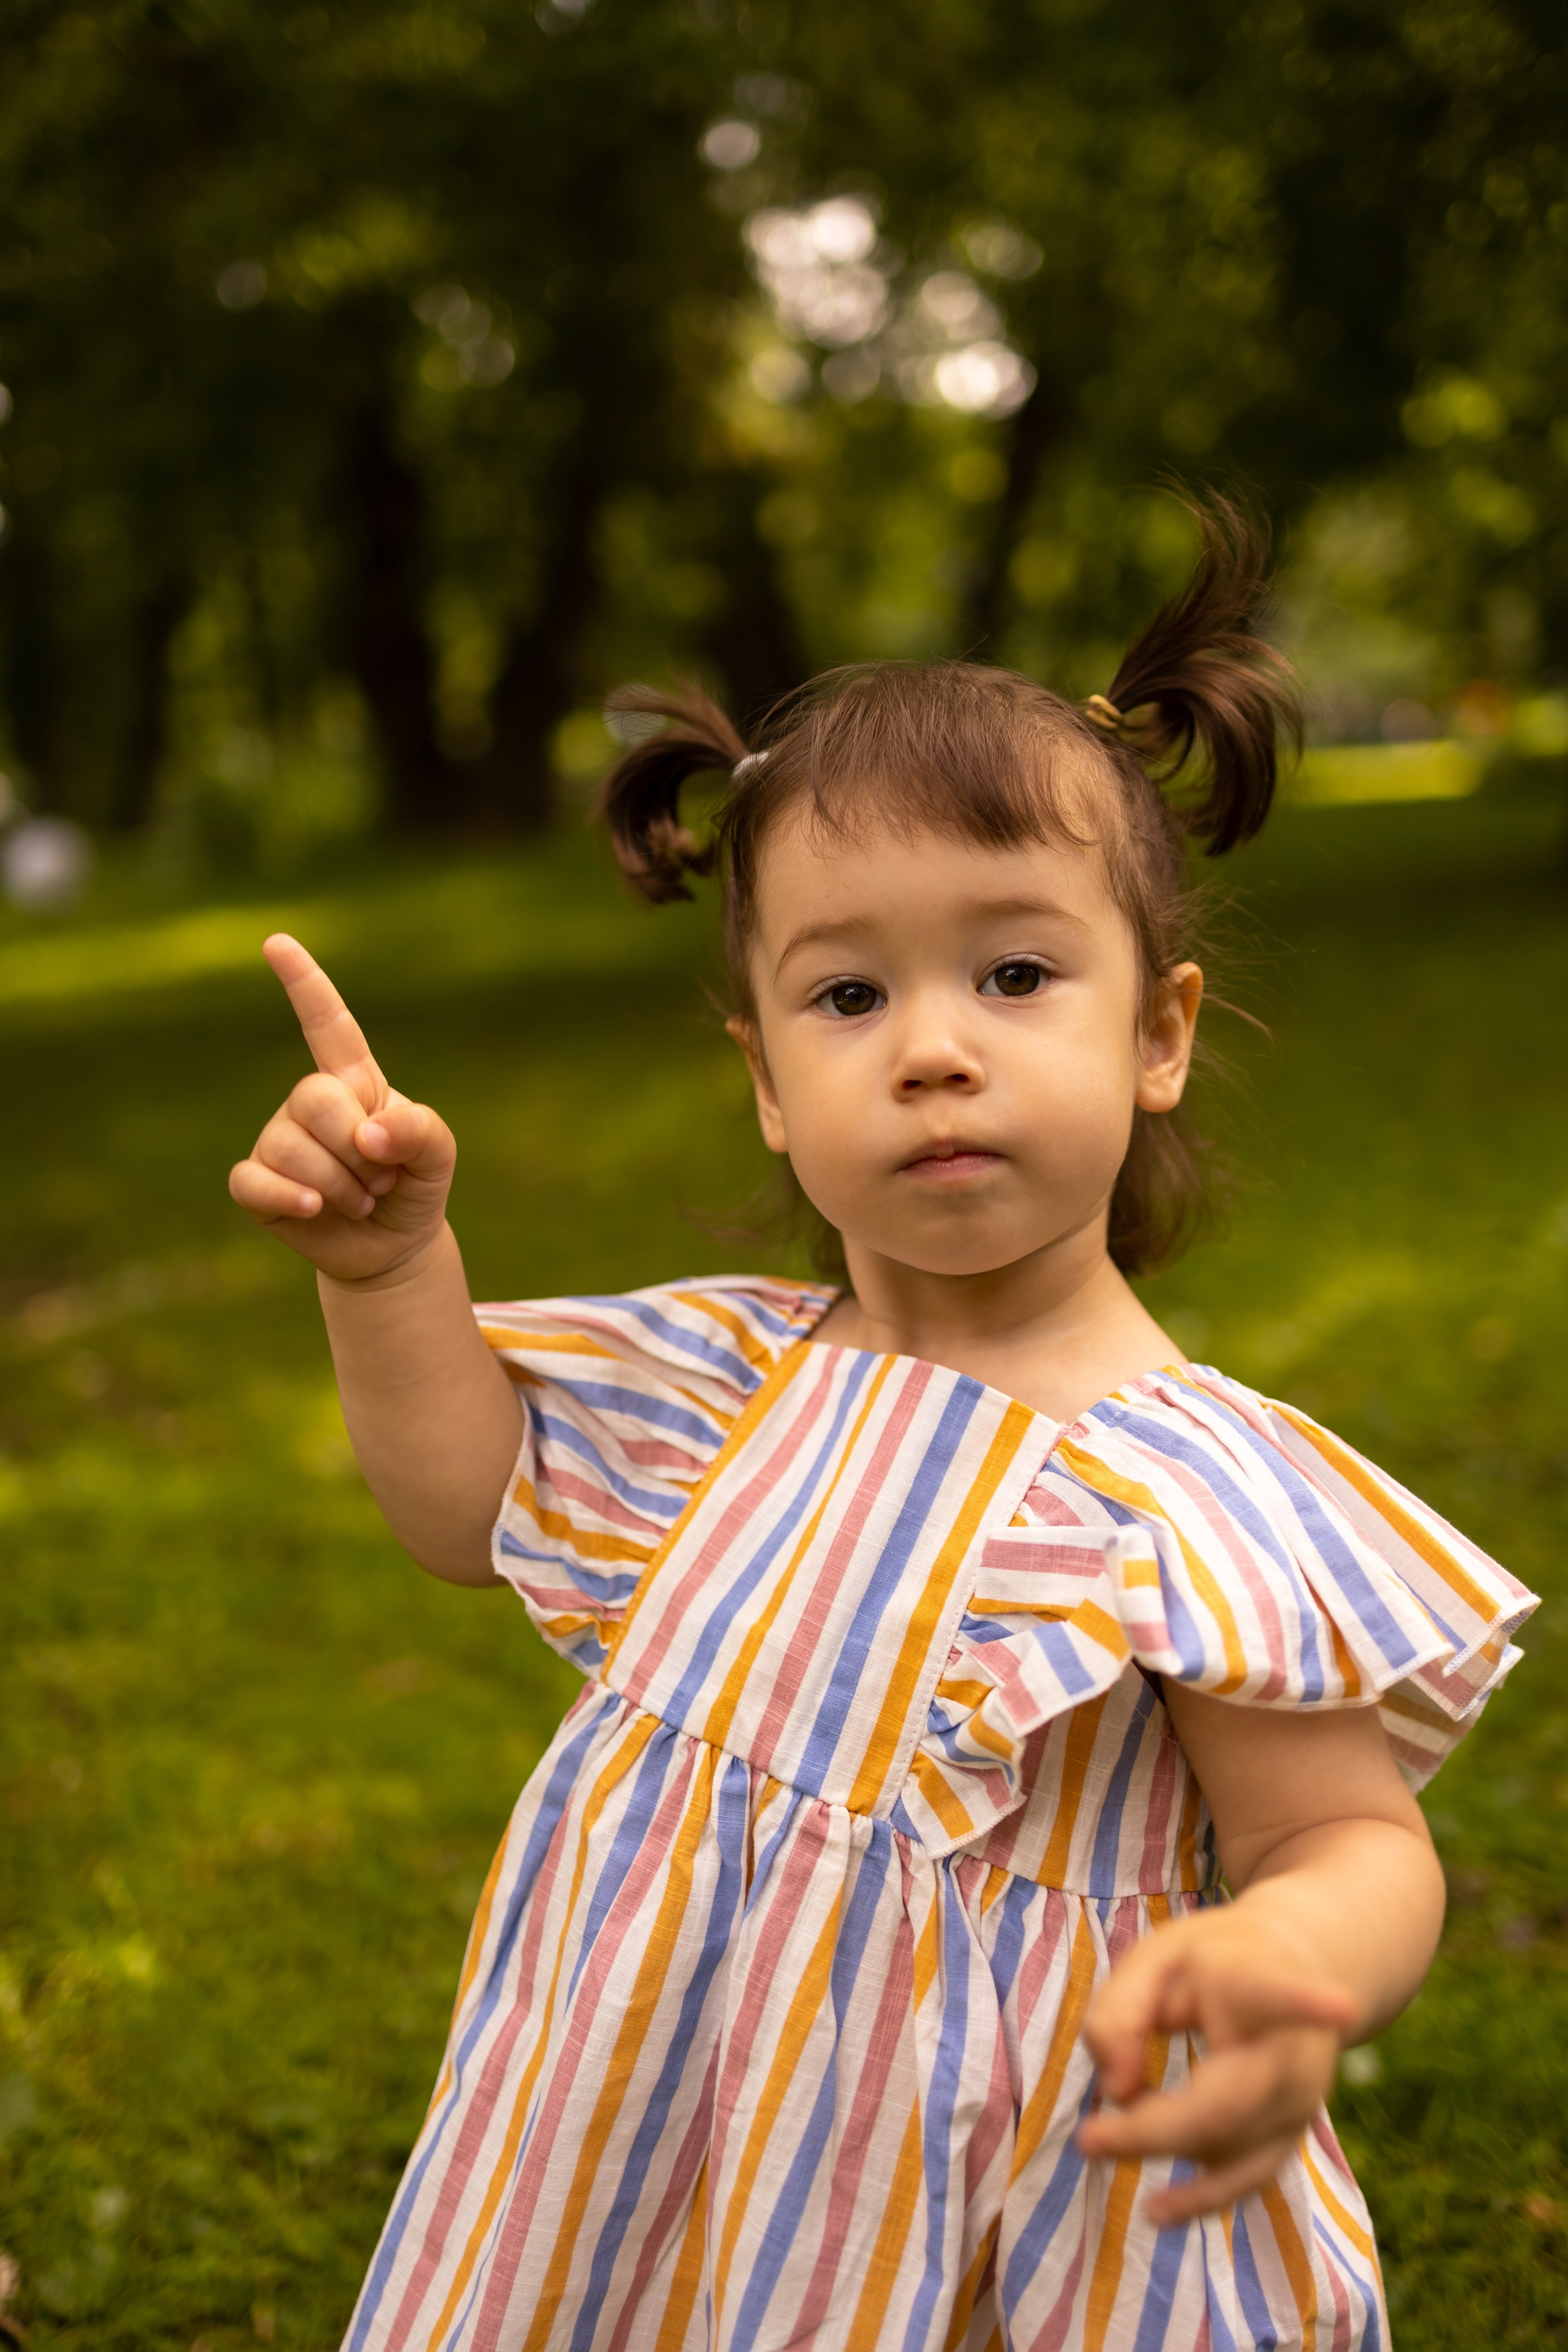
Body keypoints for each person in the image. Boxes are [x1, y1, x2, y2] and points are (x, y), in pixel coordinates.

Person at [230, 500, 1534, 2352]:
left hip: (1017, 2202)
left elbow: (1351, 1838)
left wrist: (1289, 1962)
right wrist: (388, 1273)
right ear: (767, 1081)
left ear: (1158, 1036)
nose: (933, 1046)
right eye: (849, 994)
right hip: (637, 2142)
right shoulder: (720, 1385)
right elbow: (461, 1509)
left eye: (1015, 975)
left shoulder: (1196, 1487)